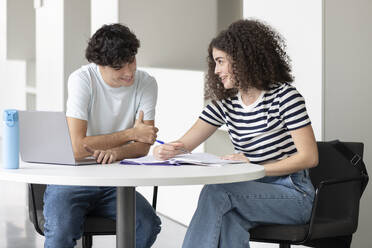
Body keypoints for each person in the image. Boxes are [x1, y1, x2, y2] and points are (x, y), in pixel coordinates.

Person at [153, 19, 318, 248]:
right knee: (229, 220)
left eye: (220, 61)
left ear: (243, 59)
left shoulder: (285, 97)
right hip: (250, 193)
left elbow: (309, 157)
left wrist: (256, 165)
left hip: (294, 194)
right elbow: (185, 144)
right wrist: (167, 149)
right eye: (214, 63)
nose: (216, 70)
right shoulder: (227, 103)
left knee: (218, 192)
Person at [43, 23, 161, 248]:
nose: (128, 72)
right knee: (60, 232)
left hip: (114, 182)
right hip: (73, 179)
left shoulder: (147, 83)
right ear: (99, 65)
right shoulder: (82, 80)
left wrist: (116, 151)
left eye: (132, 61)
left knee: (147, 224)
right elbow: (76, 148)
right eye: (118, 67)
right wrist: (130, 133)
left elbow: (143, 144)